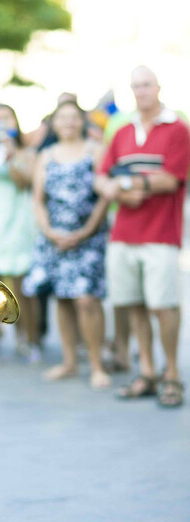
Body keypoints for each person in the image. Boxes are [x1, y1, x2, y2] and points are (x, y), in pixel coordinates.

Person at [95, 65, 190, 407]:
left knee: (164, 306)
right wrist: (117, 191)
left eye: (147, 84)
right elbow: (101, 177)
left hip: (161, 234)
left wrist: (129, 185)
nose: (141, 91)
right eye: (136, 86)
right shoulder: (122, 131)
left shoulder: (177, 128)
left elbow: (173, 178)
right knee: (133, 303)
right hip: (124, 233)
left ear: (159, 87)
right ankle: (147, 371)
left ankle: (172, 375)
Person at [23, 99, 111, 389]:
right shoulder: (46, 155)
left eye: (74, 118)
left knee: (86, 300)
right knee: (62, 298)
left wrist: (86, 230)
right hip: (55, 238)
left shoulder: (95, 151)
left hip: (89, 236)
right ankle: (70, 361)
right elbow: (38, 198)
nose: (69, 123)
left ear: (82, 121)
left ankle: (97, 364)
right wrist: (49, 231)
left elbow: (104, 197)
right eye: (63, 118)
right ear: (54, 123)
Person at [0, 103, 41, 361]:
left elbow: (24, 179)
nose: (2, 124)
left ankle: (29, 339)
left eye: (6, 119)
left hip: (16, 219)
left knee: (22, 286)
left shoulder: (25, 151)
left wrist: (11, 151)